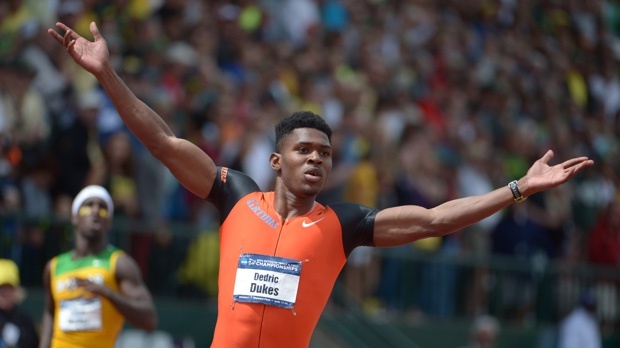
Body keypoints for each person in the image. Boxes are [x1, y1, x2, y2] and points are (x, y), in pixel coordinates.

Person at [47, 21, 595, 348]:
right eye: (304, 150)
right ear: (276, 159)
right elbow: (164, 143)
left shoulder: (343, 224)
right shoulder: (234, 194)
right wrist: (105, 74)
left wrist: (519, 188)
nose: (316, 160)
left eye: (325, 154)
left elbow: (435, 219)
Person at [38, 185, 157, 348]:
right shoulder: (54, 266)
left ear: (109, 221)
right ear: (75, 217)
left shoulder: (119, 263)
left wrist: (108, 292)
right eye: (88, 205)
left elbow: (149, 319)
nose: (95, 211)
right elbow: (50, 313)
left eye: (102, 208)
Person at [0, 259, 39, 348]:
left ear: (16, 290)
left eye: (8, 287)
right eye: (1, 287)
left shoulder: (25, 321)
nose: (3, 292)